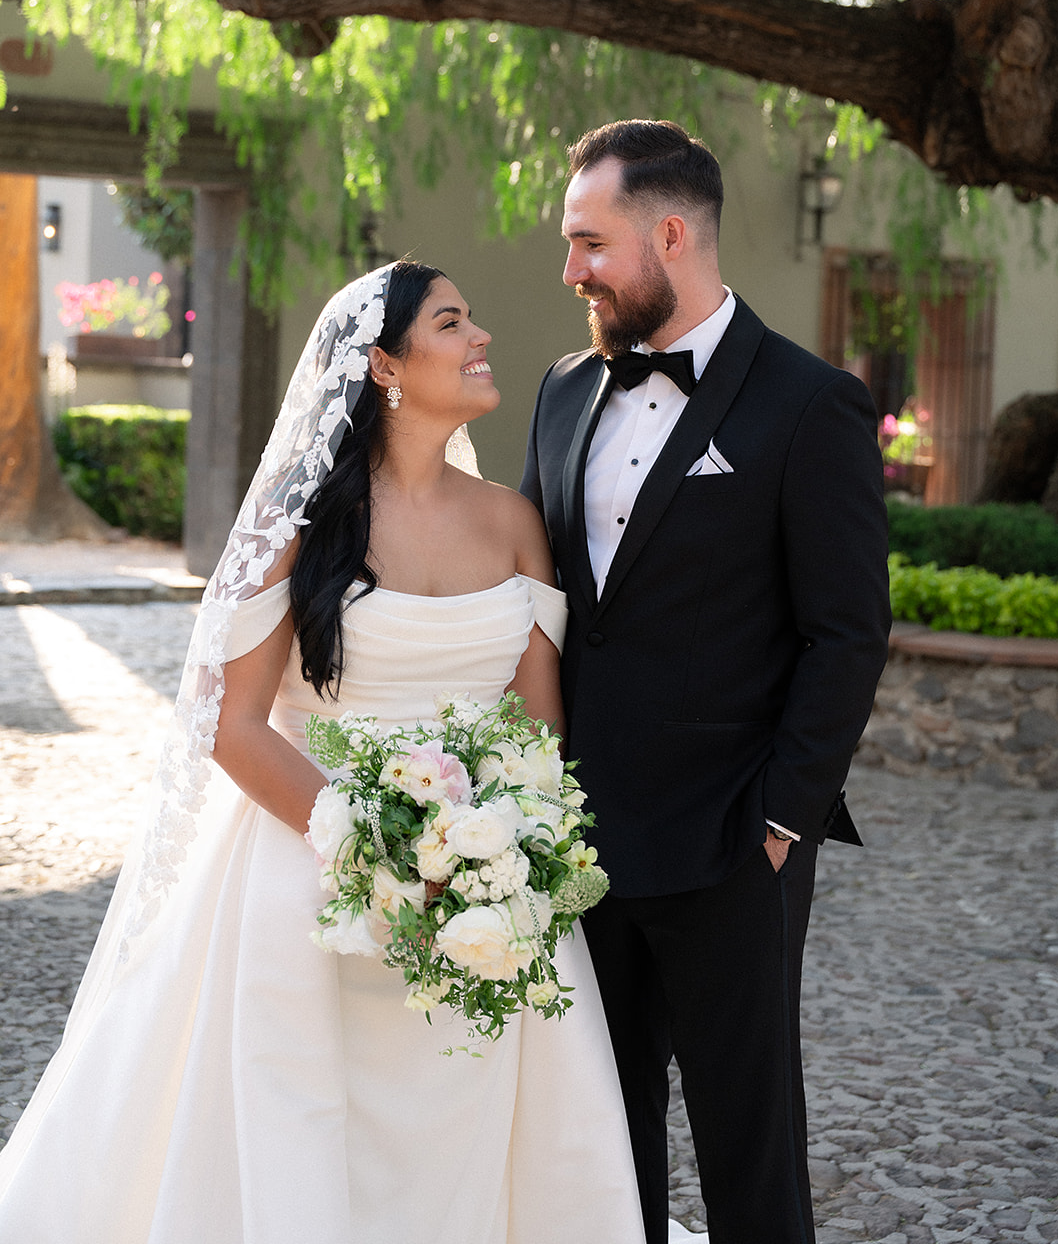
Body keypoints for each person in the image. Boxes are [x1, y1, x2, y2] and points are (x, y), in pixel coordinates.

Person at [0, 261, 646, 1244]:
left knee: (469, 1136)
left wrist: (495, 850)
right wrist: (379, 854)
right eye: (451, 321)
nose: (480, 338)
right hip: (304, 880)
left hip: (486, 882)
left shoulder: (515, 525)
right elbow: (234, 723)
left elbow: (538, 723)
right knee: (304, 1128)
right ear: (385, 364)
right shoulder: (293, 531)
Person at [520, 121, 892, 1244]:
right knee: (598, 1126)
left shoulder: (809, 402)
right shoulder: (559, 388)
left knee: (750, 1137)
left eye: (591, 243)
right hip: (581, 838)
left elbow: (848, 632)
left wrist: (782, 817)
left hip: (734, 840)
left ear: (669, 234)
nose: (570, 269)